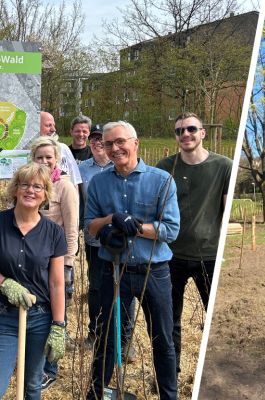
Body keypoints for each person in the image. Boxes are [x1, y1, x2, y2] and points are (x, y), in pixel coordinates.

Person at [85, 121, 180, 400]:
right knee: (107, 339)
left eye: (120, 142)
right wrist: (112, 219)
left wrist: (136, 227)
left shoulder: (161, 180)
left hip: (154, 271)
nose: (115, 148)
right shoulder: (99, 183)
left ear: (135, 143)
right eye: (108, 144)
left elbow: (171, 230)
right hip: (113, 270)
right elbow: (90, 225)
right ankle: (96, 394)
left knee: (162, 339)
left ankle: (168, 395)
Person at [0, 162, 67, 400]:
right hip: (5, 315)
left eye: (38, 187)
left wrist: (59, 325)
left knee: (33, 385)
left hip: (40, 317)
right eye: (25, 185)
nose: (30, 191)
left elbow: (56, 284)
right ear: (15, 189)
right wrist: (5, 283)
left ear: (45, 194)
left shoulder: (54, 232)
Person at [156, 112, 233, 377]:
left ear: (202, 133)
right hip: (170, 256)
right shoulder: (164, 167)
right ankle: (170, 376)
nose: (185, 134)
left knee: (215, 318)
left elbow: (226, 210)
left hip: (209, 256)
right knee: (168, 321)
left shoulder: (224, 166)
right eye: (179, 131)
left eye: (190, 129)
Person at [78, 124, 137, 362]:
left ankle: (125, 339)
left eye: (101, 140)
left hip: (123, 242)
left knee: (125, 290)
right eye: (94, 140)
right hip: (95, 240)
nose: (97, 144)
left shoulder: (121, 165)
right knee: (96, 288)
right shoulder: (81, 168)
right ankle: (97, 333)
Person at [28, 137, 79, 390]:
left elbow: (72, 228)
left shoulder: (64, 188)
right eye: (40, 157)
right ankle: (33, 362)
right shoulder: (29, 185)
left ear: (57, 159)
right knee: (36, 313)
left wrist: (67, 264)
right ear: (33, 159)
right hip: (31, 264)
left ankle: (50, 369)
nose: (45, 161)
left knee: (55, 315)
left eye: (49, 157)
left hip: (56, 264)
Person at [39, 111, 81, 186]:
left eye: (53, 125)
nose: (53, 130)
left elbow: (75, 182)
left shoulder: (63, 148)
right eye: (48, 125)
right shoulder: (27, 152)